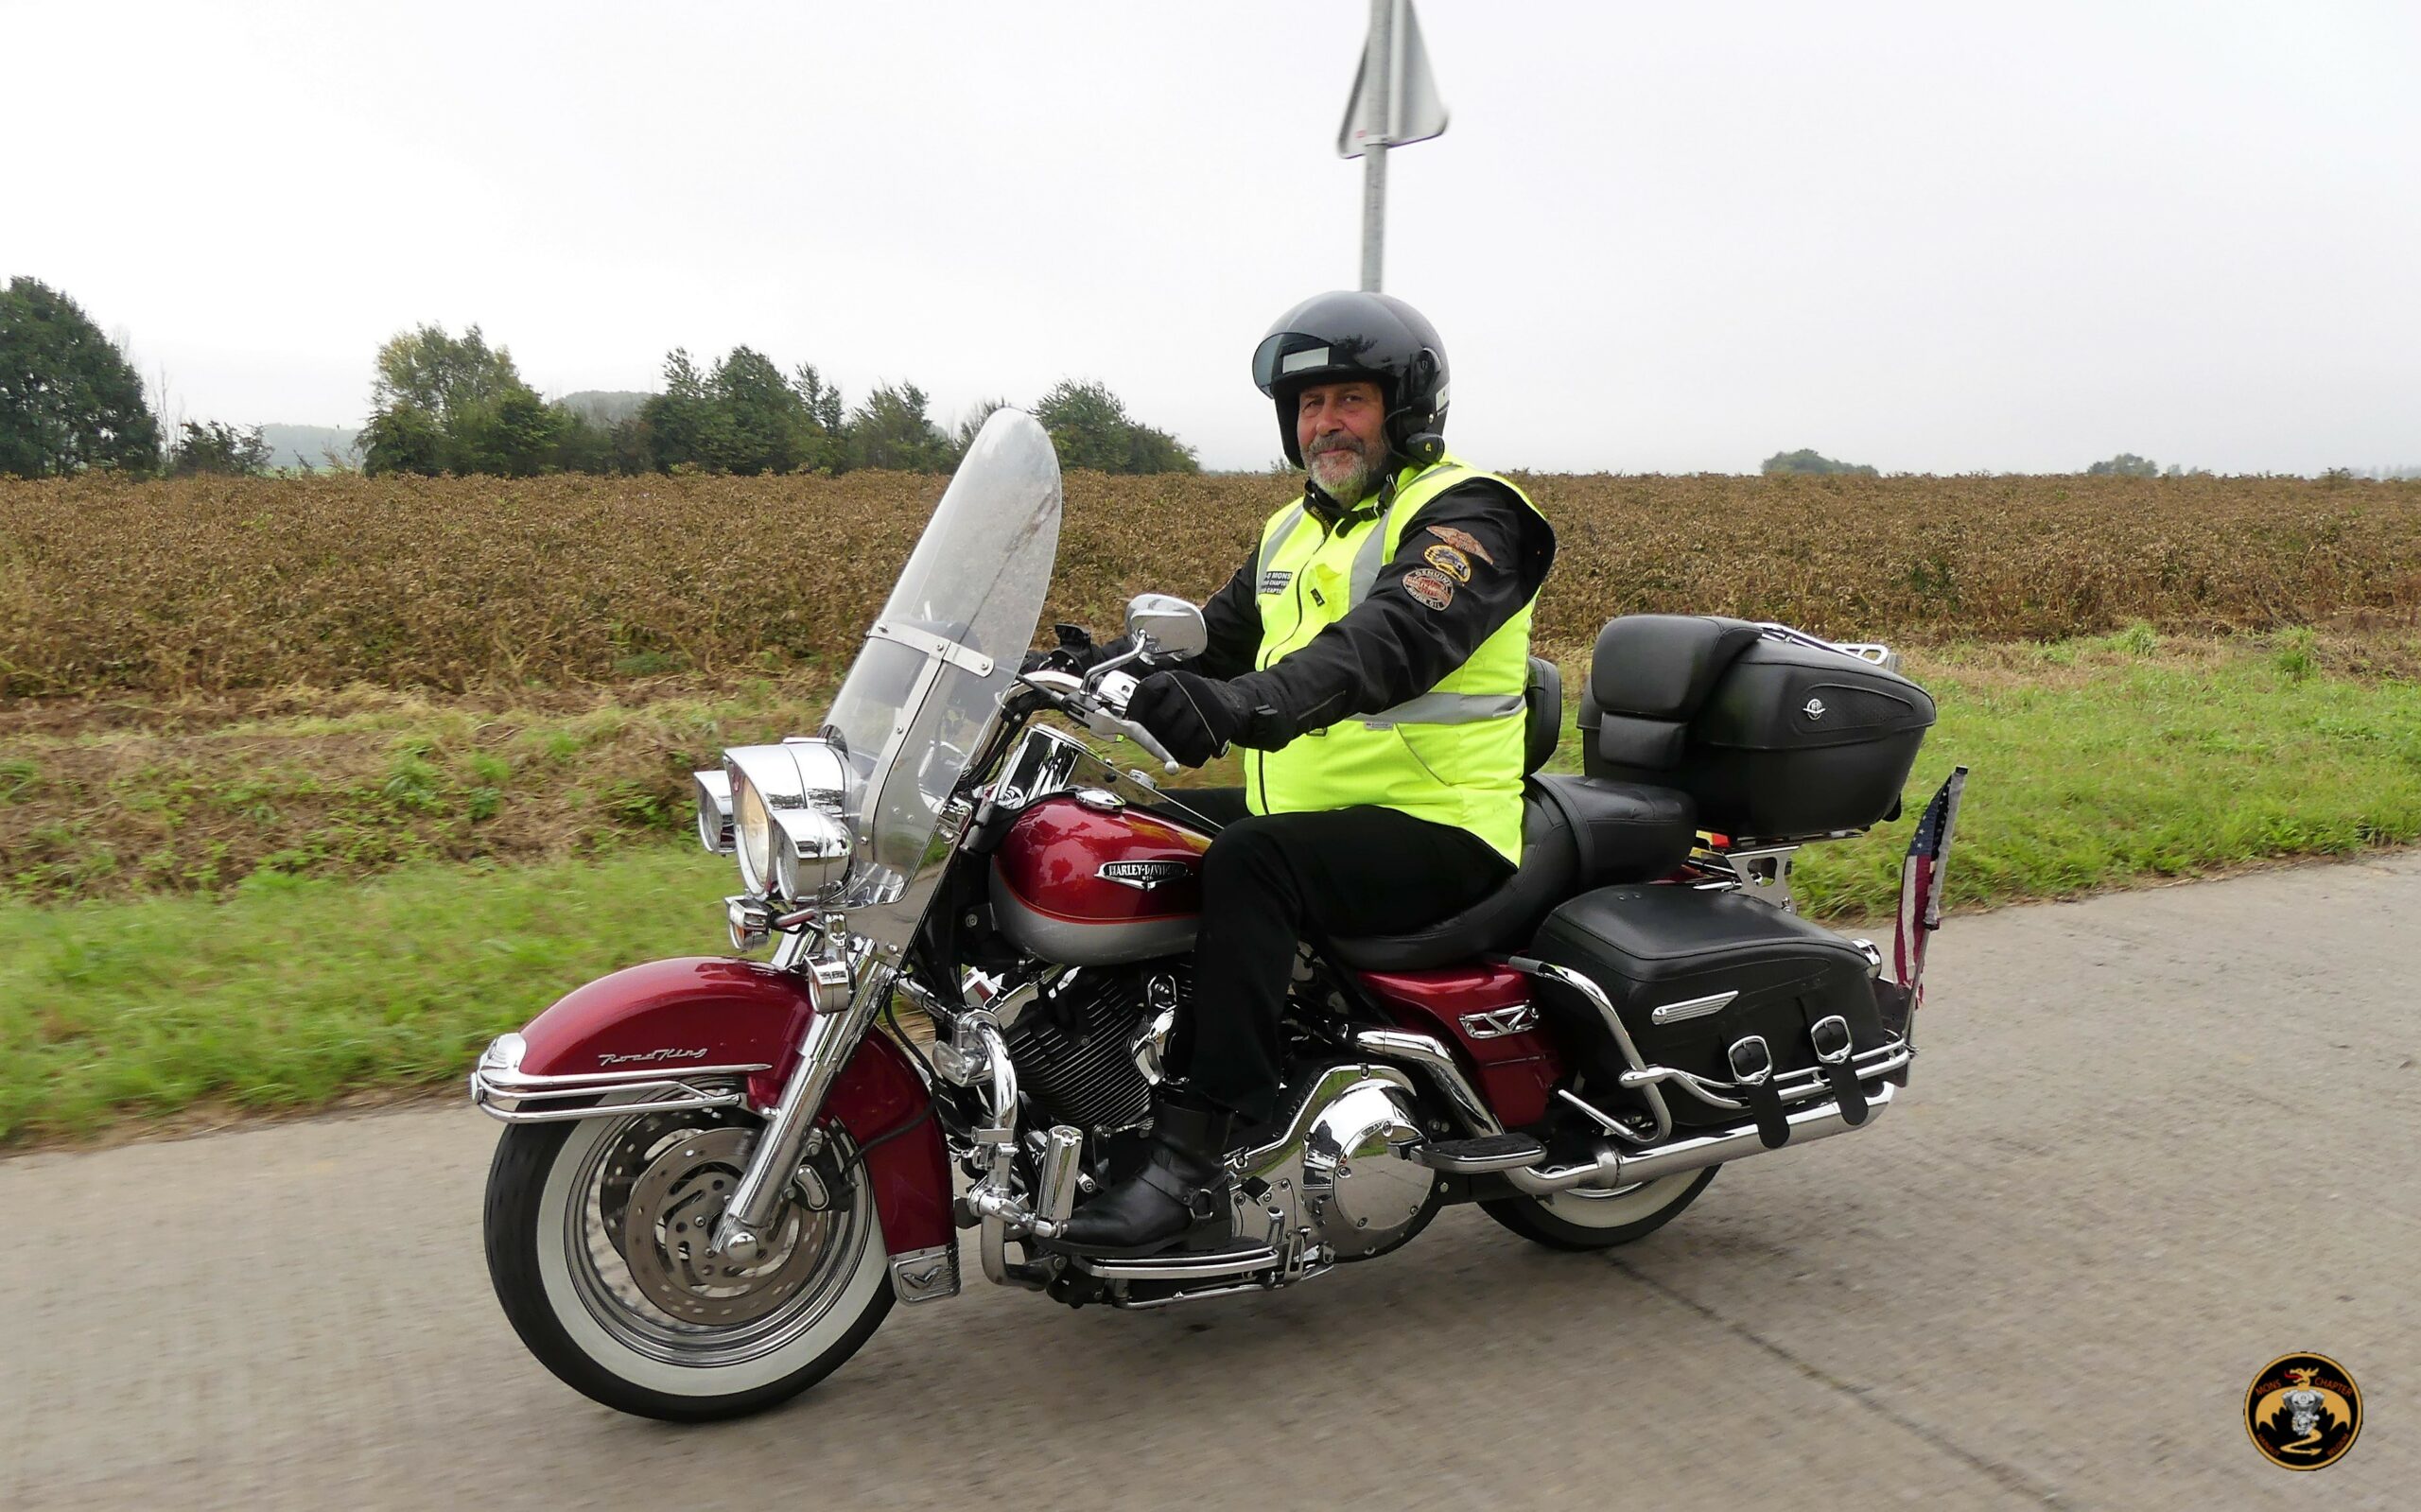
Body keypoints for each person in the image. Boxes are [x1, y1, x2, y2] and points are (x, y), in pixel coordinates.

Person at [1044, 291, 1556, 1254]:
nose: (1326, 423)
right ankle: (1108, 1092)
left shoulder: (1470, 515)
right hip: (1315, 812)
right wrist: (1077, 666)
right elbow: (1211, 639)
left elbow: (1390, 640)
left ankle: (1201, 1149)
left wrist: (1245, 706)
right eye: (1310, 404)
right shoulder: (1292, 531)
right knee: (1110, 832)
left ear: (1406, 408)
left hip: (1442, 822)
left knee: (1252, 862)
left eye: (1350, 399)